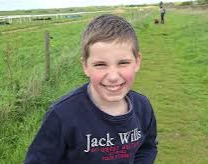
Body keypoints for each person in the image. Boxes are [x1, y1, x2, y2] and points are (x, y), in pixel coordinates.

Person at [24, 14, 158, 164]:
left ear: (137, 61)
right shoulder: (62, 115)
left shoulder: (143, 107)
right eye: (100, 64)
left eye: (123, 63)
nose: (113, 76)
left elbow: (147, 147)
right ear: (85, 66)